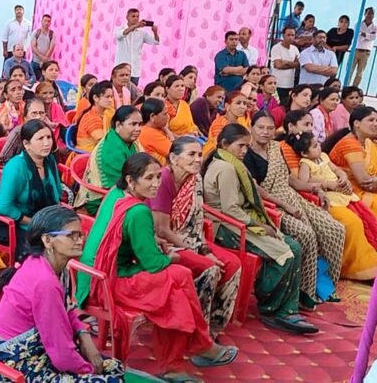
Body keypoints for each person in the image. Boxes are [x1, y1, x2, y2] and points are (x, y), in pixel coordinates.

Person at [77, 154, 237, 381]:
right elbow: (153, 263)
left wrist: (151, 240)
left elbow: (126, 236)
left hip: (91, 276)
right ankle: (192, 351)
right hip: (107, 281)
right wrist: (172, 257)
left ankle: (190, 354)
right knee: (177, 281)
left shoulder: (116, 193)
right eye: (149, 178)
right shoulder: (138, 211)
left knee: (177, 284)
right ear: (131, 181)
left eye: (158, 177)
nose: (156, 184)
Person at [0, 205, 125, 382]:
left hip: (36, 352)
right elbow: (61, 355)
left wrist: (83, 335)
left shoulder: (53, 267)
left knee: (114, 367)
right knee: (110, 378)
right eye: (71, 235)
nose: (79, 241)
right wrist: (91, 371)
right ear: (48, 240)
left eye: (80, 235)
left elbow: (66, 308)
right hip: (13, 366)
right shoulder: (44, 281)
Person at [203, 123, 318, 334]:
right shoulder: (226, 168)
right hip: (228, 227)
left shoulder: (232, 163)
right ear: (225, 144)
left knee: (294, 247)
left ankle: (287, 307)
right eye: (240, 146)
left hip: (240, 220)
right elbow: (229, 209)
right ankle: (272, 308)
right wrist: (260, 226)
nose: (244, 150)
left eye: (246, 146)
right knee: (286, 254)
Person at [244, 112, 345, 308]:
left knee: (335, 229)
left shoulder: (276, 147)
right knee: (306, 234)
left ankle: (324, 285)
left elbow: (290, 179)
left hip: (292, 196)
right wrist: (286, 206)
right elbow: (256, 190)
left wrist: (316, 189)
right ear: (251, 128)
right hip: (272, 205)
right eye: (260, 127)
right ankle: (304, 290)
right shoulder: (247, 154)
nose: (265, 132)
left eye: (270, 128)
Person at [148, 137, 241, 337]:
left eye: (199, 154)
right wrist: (196, 252)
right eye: (191, 154)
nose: (198, 159)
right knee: (210, 268)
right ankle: (196, 331)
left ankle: (214, 327)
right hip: (164, 243)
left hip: (192, 240)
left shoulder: (195, 179)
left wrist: (205, 250)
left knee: (232, 264)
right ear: (174, 158)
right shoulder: (162, 180)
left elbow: (196, 224)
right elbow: (162, 230)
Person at [289, 131, 377, 281]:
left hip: (342, 195)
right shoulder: (306, 164)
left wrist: (342, 177)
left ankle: (371, 259)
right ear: (304, 153)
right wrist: (327, 184)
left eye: (318, 144)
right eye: (315, 146)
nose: (319, 147)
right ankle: (357, 268)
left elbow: (336, 169)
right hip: (328, 198)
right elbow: (304, 182)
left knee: (365, 216)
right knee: (353, 222)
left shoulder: (324, 156)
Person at [0, 119, 62, 259]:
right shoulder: (15, 167)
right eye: (40, 139)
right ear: (26, 144)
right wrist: (33, 223)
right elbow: (3, 207)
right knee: (45, 250)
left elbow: (57, 193)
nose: (46, 143)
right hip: (13, 222)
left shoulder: (49, 160)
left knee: (69, 238)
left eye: (49, 137)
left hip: (43, 218)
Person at [74, 106, 141, 215]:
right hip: (101, 199)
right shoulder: (112, 148)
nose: (138, 129)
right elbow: (119, 184)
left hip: (127, 189)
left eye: (140, 124)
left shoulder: (130, 142)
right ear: (118, 125)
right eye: (133, 124)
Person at [325, 106, 377, 218]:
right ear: (357, 123)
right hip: (351, 192)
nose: (375, 124)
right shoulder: (349, 144)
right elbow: (365, 183)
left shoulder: (368, 142)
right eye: (371, 120)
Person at [0, 98, 49, 166]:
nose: (38, 117)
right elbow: (3, 160)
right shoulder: (18, 132)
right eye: (34, 113)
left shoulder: (47, 132)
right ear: (25, 117)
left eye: (41, 113)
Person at [114, 8, 159, 85]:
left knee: (133, 92)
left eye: (137, 16)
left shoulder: (142, 33)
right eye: (133, 16)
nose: (136, 18)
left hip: (135, 70)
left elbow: (156, 42)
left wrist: (155, 32)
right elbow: (122, 34)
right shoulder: (119, 29)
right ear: (127, 17)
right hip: (120, 70)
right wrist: (136, 26)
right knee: (117, 90)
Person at [203, 91, 250, 157]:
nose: (243, 107)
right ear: (227, 106)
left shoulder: (241, 121)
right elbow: (217, 146)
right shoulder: (219, 123)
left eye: (244, 104)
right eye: (238, 103)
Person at [74, 80, 114, 154]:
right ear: (95, 98)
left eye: (111, 97)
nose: (110, 100)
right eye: (107, 97)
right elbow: (103, 141)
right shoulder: (91, 117)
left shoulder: (107, 113)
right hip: (88, 154)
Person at [270, 27, 301, 104]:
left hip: (290, 84)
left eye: (292, 35)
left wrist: (285, 62)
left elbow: (298, 64)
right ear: (283, 35)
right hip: (278, 84)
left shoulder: (295, 49)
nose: (290, 37)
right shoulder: (276, 48)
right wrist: (292, 64)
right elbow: (278, 65)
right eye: (288, 35)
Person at [138, 98, 173, 165]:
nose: (168, 116)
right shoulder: (149, 133)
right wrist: (168, 132)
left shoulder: (146, 129)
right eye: (165, 114)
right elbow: (178, 153)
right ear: (152, 116)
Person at [351, 7, 377, 86]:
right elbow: (357, 35)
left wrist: (364, 34)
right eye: (369, 13)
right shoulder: (358, 24)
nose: (370, 15)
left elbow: (374, 37)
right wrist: (368, 36)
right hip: (356, 50)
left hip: (366, 52)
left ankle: (354, 88)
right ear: (365, 14)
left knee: (360, 73)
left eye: (372, 14)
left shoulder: (375, 27)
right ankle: (346, 87)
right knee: (350, 70)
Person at [30, 15, 56, 80]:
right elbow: (33, 46)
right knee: (32, 80)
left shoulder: (52, 34)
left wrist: (44, 60)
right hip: (35, 62)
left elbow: (51, 48)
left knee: (44, 82)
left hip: (46, 63)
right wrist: (42, 57)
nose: (46, 23)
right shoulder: (36, 32)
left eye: (48, 21)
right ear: (41, 21)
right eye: (45, 21)